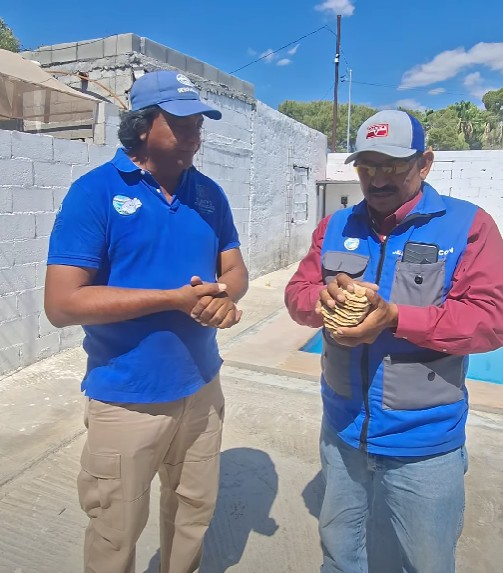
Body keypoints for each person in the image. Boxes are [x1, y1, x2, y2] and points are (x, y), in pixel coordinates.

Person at [44, 70, 248, 573]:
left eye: (199, 122)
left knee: (193, 514)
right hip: (127, 399)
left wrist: (224, 298)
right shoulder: (94, 192)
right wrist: (172, 300)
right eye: (181, 123)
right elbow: (62, 303)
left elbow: (235, 270)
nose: (195, 133)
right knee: (115, 531)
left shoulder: (210, 194)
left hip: (202, 389)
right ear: (140, 126)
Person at [284, 110, 503, 573]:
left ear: (424, 163)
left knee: (425, 563)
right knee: (341, 556)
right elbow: (297, 294)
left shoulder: (468, 226)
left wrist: (397, 318)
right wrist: (322, 299)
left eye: (392, 165)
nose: (377, 178)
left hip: (425, 444)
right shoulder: (335, 226)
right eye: (367, 166)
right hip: (342, 431)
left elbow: (491, 319)